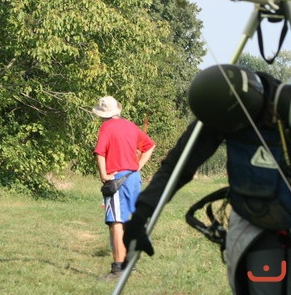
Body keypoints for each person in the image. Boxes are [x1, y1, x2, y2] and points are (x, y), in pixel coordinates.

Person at [123, 64, 291, 294]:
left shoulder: (280, 105)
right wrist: (140, 215)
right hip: (255, 220)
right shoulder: (219, 108)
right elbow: (177, 166)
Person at [92, 95, 155, 279]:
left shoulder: (106, 127)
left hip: (117, 179)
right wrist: (137, 167)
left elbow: (100, 152)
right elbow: (150, 146)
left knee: (116, 222)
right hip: (134, 178)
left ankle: (119, 268)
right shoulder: (130, 125)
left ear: (103, 114)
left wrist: (104, 175)